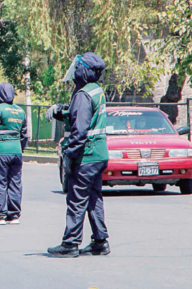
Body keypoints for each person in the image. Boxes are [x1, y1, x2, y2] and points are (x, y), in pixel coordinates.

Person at [47, 53, 110, 258]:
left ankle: (70, 244)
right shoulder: (96, 90)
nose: (74, 72)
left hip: (86, 156)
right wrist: (60, 111)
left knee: (76, 200)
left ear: (83, 70)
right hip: (98, 155)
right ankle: (100, 241)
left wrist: (69, 154)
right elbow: (81, 114)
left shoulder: (83, 94)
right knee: (93, 198)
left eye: (77, 68)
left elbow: (80, 130)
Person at [0, 83, 28, 225]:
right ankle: (14, 216)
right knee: (15, 183)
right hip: (16, 151)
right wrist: (19, 148)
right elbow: (24, 135)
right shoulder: (20, 111)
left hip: (0, 151)